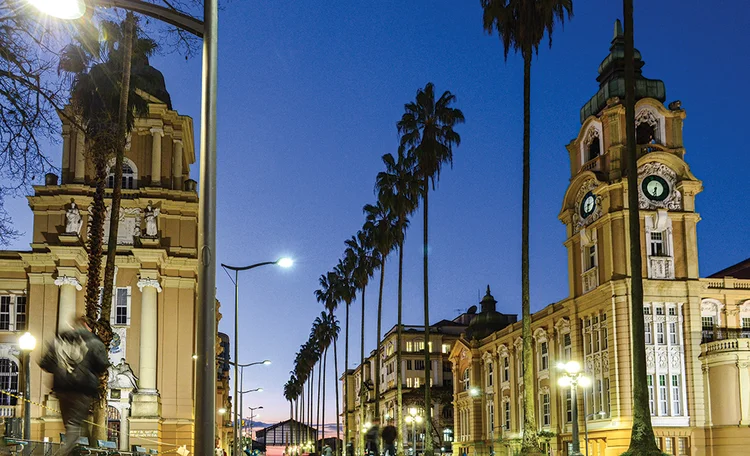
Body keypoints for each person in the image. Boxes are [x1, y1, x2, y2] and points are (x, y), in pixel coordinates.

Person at [39, 317, 109, 456]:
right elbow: (102, 365)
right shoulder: (94, 342)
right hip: (82, 389)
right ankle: (64, 453)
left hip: (62, 389)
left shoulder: (58, 341)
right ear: (87, 326)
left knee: (70, 424)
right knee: (75, 424)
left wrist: (62, 368)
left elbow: (45, 363)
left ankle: (71, 451)